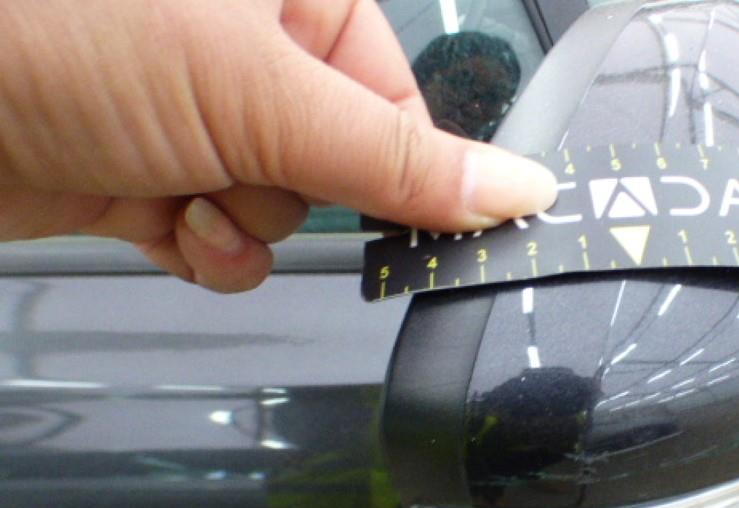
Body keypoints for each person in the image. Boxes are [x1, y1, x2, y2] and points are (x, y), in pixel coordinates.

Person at [0, 0, 557, 292]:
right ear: (428, 74)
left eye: (490, 102)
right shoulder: (363, 129)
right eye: (462, 85)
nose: (472, 110)